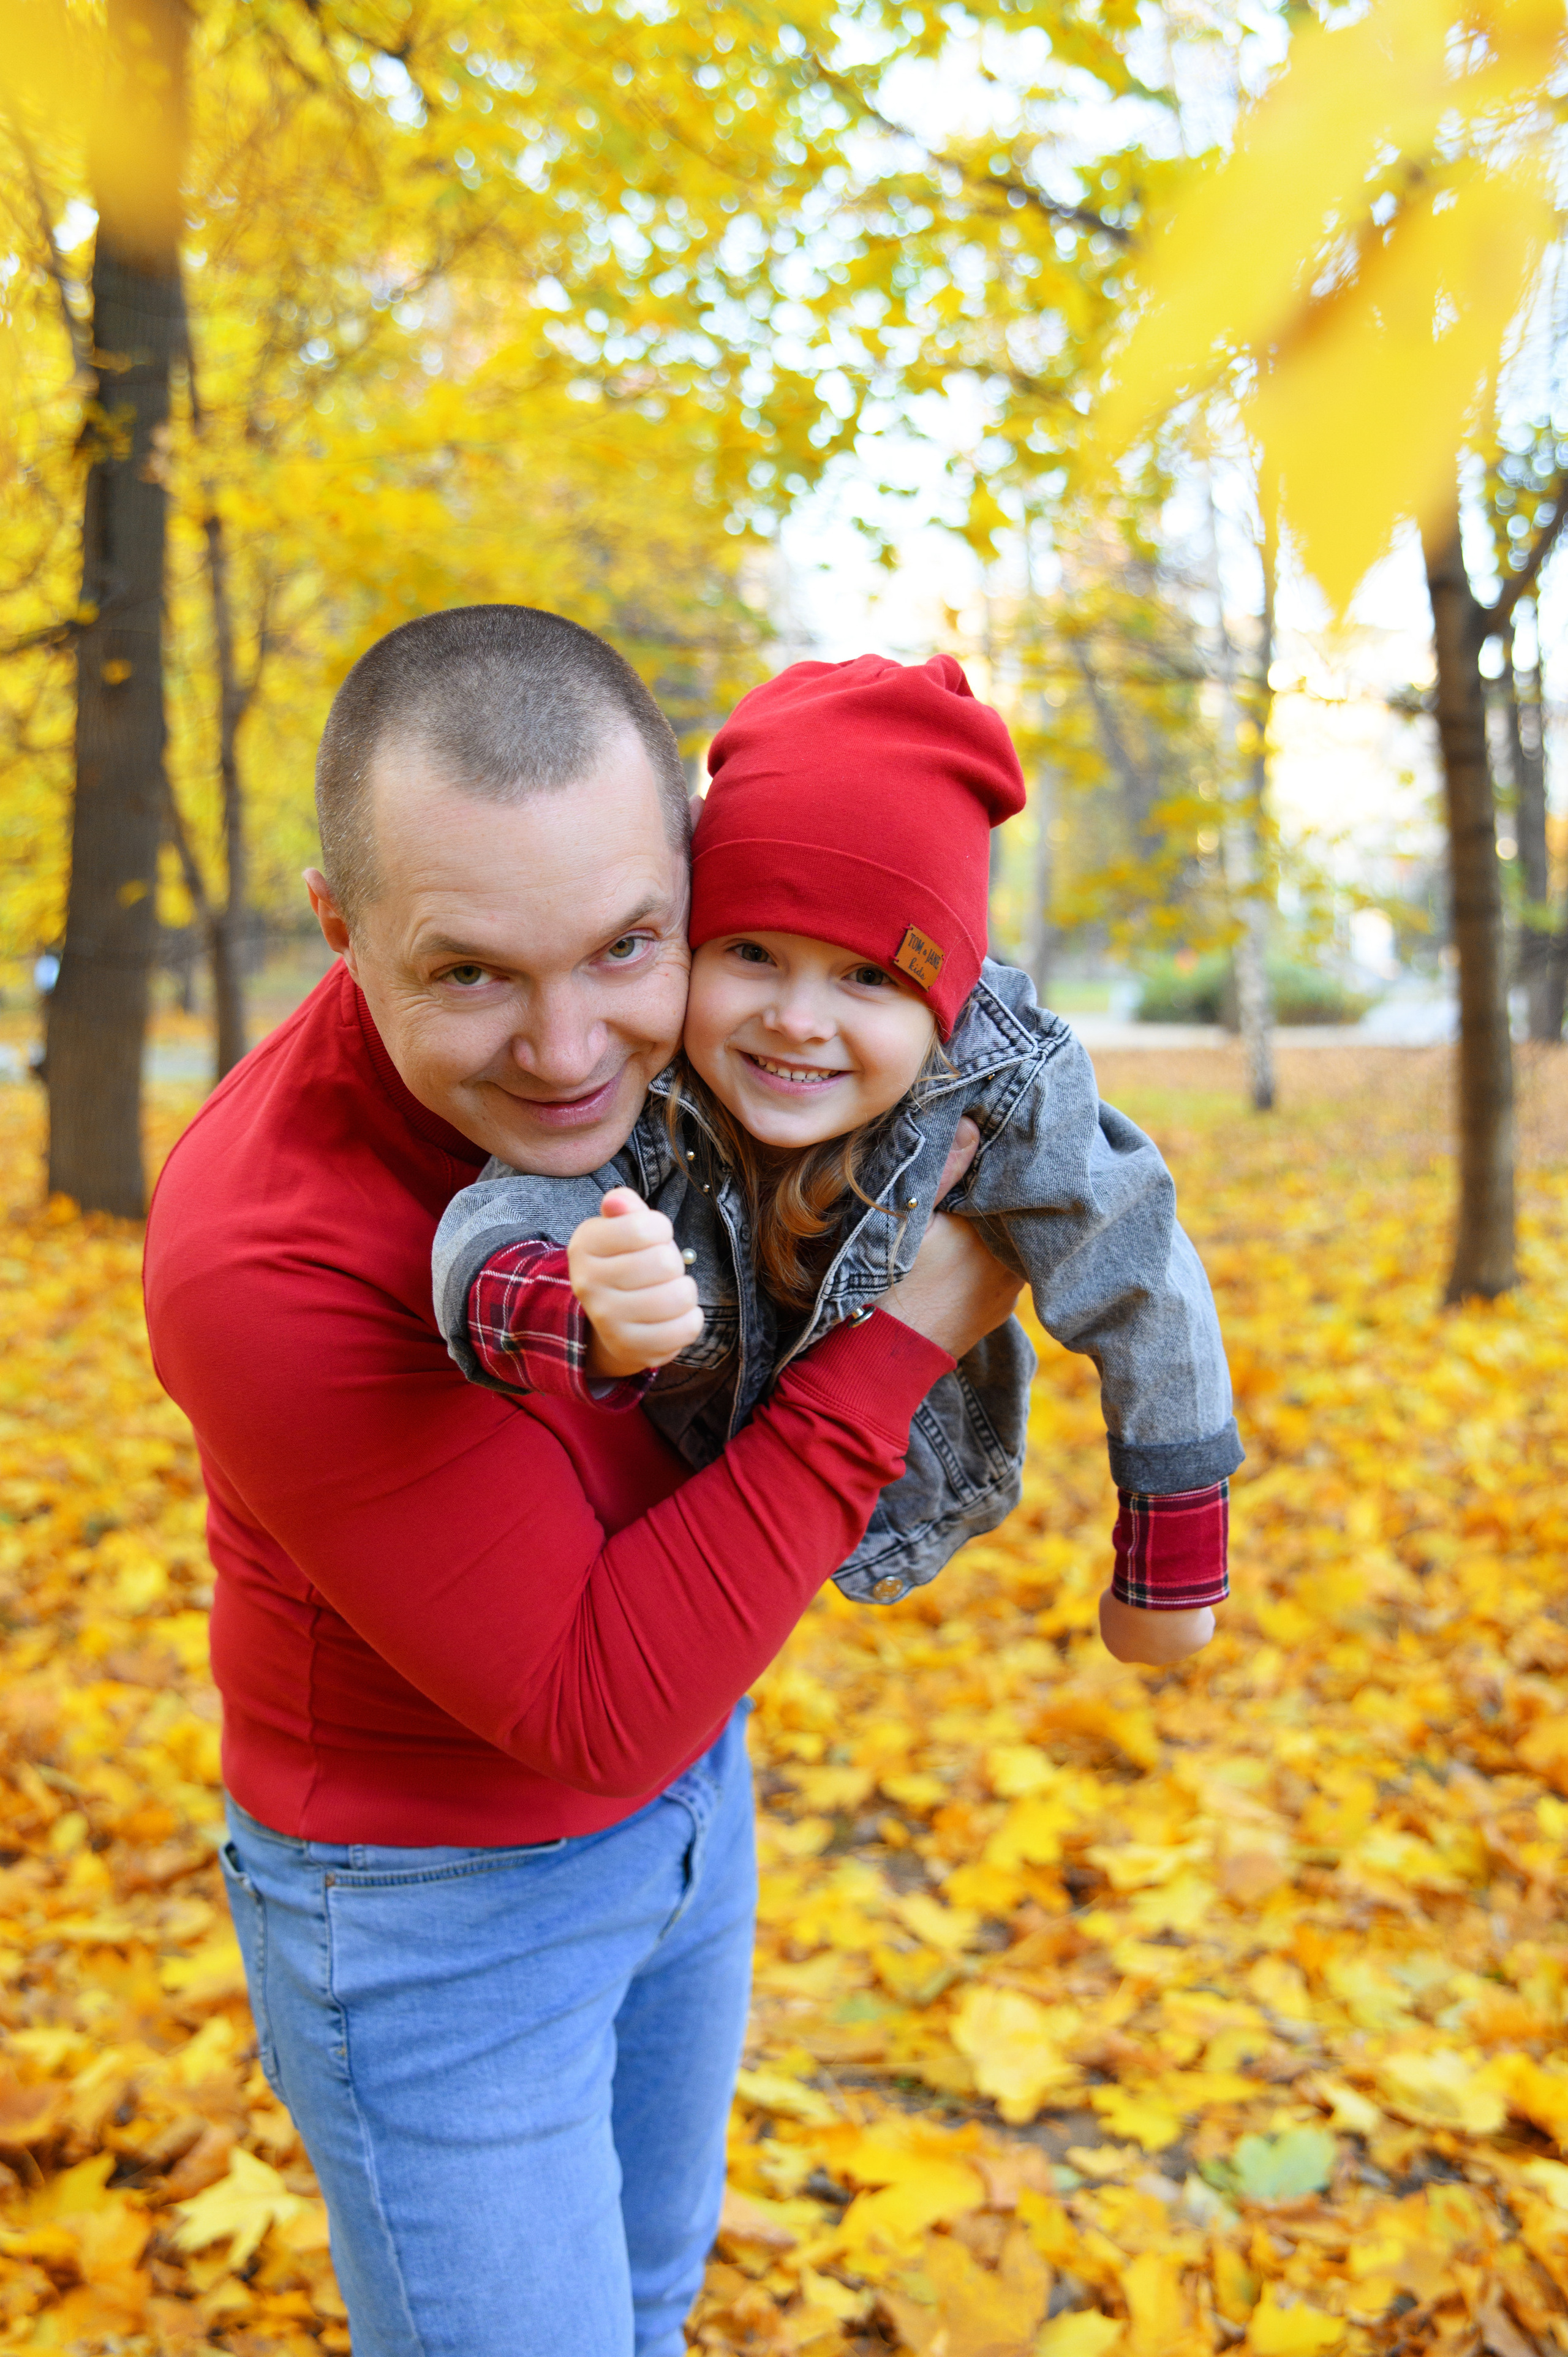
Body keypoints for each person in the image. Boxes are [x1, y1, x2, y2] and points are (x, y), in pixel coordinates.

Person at [142, 605, 1021, 2357]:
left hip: (700, 1798)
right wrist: (904, 1335)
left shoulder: (732, 1029)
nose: (568, 1054)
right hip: (437, 1916)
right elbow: (587, 1705)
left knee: (643, 2303)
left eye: (626, 946)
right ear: (342, 931)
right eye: (470, 974)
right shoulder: (264, 1250)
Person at [434, 655, 1240, 1660]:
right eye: (752, 953)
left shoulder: (998, 1086)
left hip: (894, 1485)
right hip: (669, 1515)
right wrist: (574, 1303)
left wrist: (1171, 1562)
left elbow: (1142, 1280)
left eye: (867, 976)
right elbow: (501, 1214)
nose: (797, 1020)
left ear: (944, 1009)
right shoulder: (651, 1069)